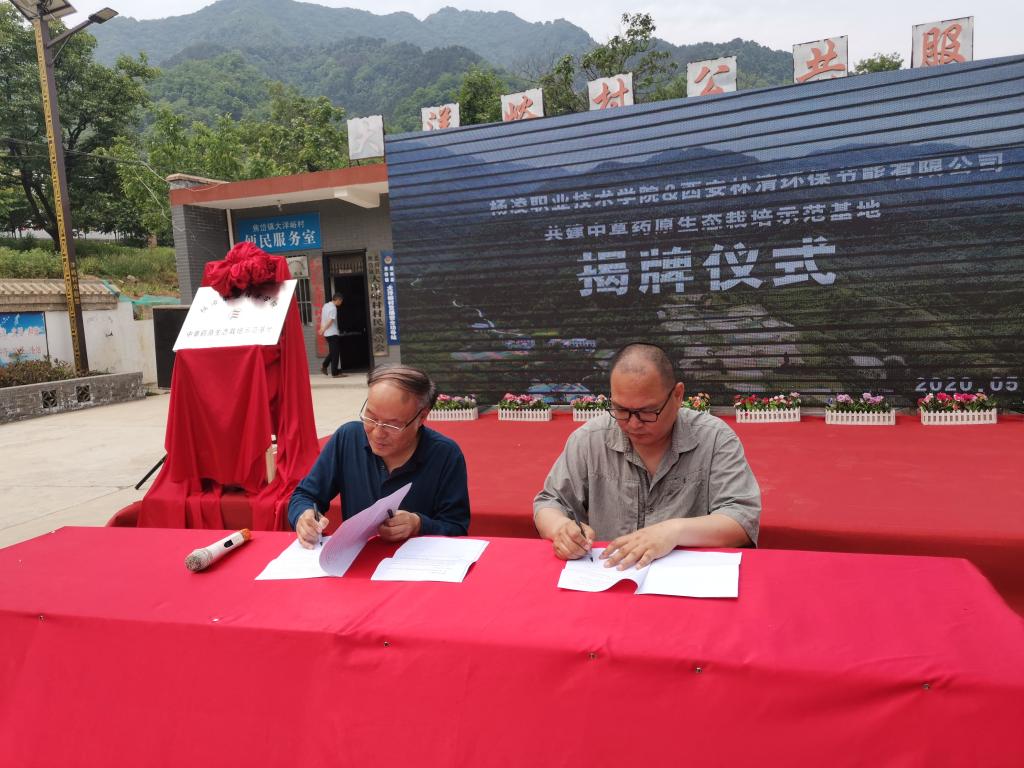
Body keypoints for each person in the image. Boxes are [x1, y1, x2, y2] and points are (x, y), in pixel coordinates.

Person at [534, 342, 760, 570]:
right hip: (611, 576)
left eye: (647, 412)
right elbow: (550, 502)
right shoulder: (590, 439)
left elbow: (741, 520)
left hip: (685, 578)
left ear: (677, 395)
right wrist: (561, 529)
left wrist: (673, 531)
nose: (633, 424)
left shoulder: (714, 438)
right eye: (621, 410)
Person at [289, 364, 470, 548]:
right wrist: (303, 516)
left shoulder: (445, 454)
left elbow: (456, 527)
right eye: (371, 418)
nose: (377, 433)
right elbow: (305, 495)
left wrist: (419, 524)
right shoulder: (348, 438)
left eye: (392, 425)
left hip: (416, 562)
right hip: (356, 558)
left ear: (421, 417)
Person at [320, 293, 345, 377]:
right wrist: (323, 329)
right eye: (341, 301)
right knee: (335, 353)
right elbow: (330, 321)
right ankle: (334, 372)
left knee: (333, 352)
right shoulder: (333, 308)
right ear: (338, 300)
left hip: (327, 334)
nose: (341, 303)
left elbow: (323, 318)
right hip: (332, 333)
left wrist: (322, 329)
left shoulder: (325, 306)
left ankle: (325, 366)